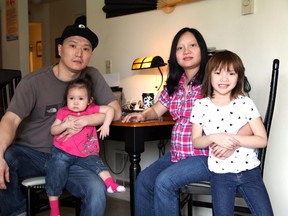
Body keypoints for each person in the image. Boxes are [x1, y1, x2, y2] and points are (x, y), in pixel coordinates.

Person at [0, 23, 121, 216]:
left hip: (74, 158)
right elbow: (10, 120)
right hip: (33, 156)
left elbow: (115, 110)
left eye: (86, 49)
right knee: (6, 156)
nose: (79, 53)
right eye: (73, 45)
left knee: (97, 190)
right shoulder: (34, 82)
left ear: (90, 54)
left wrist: (86, 120)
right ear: (60, 49)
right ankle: (17, 212)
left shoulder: (92, 76)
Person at [122, 27, 214, 216]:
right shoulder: (175, 84)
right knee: (144, 181)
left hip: (205, 156)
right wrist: (143, 115)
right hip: (177, 156)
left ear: (202, 50)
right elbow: (157, 108)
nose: (186, 51)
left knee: (164, 181)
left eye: (192, 45)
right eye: (180, 48)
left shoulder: (212, 80)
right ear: (175, 55)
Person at [190, 50, 274, 215]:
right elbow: (196, 141)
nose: (224, 78)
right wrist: (215, 137)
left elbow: (262, 140)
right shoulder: (200, 106)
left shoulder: (245, 103)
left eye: (231, 73)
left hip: (250, 172)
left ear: (238, 77)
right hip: (221, 175)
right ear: (210, 75)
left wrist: (233, 140)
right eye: (218, 72)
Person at [46, 75, 125, 216]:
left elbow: (110, 110)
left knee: (97, 163)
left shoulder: (92, 110)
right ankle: (54, 208)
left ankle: (111, 184)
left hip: (85, 153)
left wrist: (106, 124)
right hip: (63, 152)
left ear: (90, 101)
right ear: (67, 99)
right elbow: (53, 130)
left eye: (80, 99)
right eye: (71, 98)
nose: (75, 102)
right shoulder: (63, 112)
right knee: (55, 169)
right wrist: (65, 124)